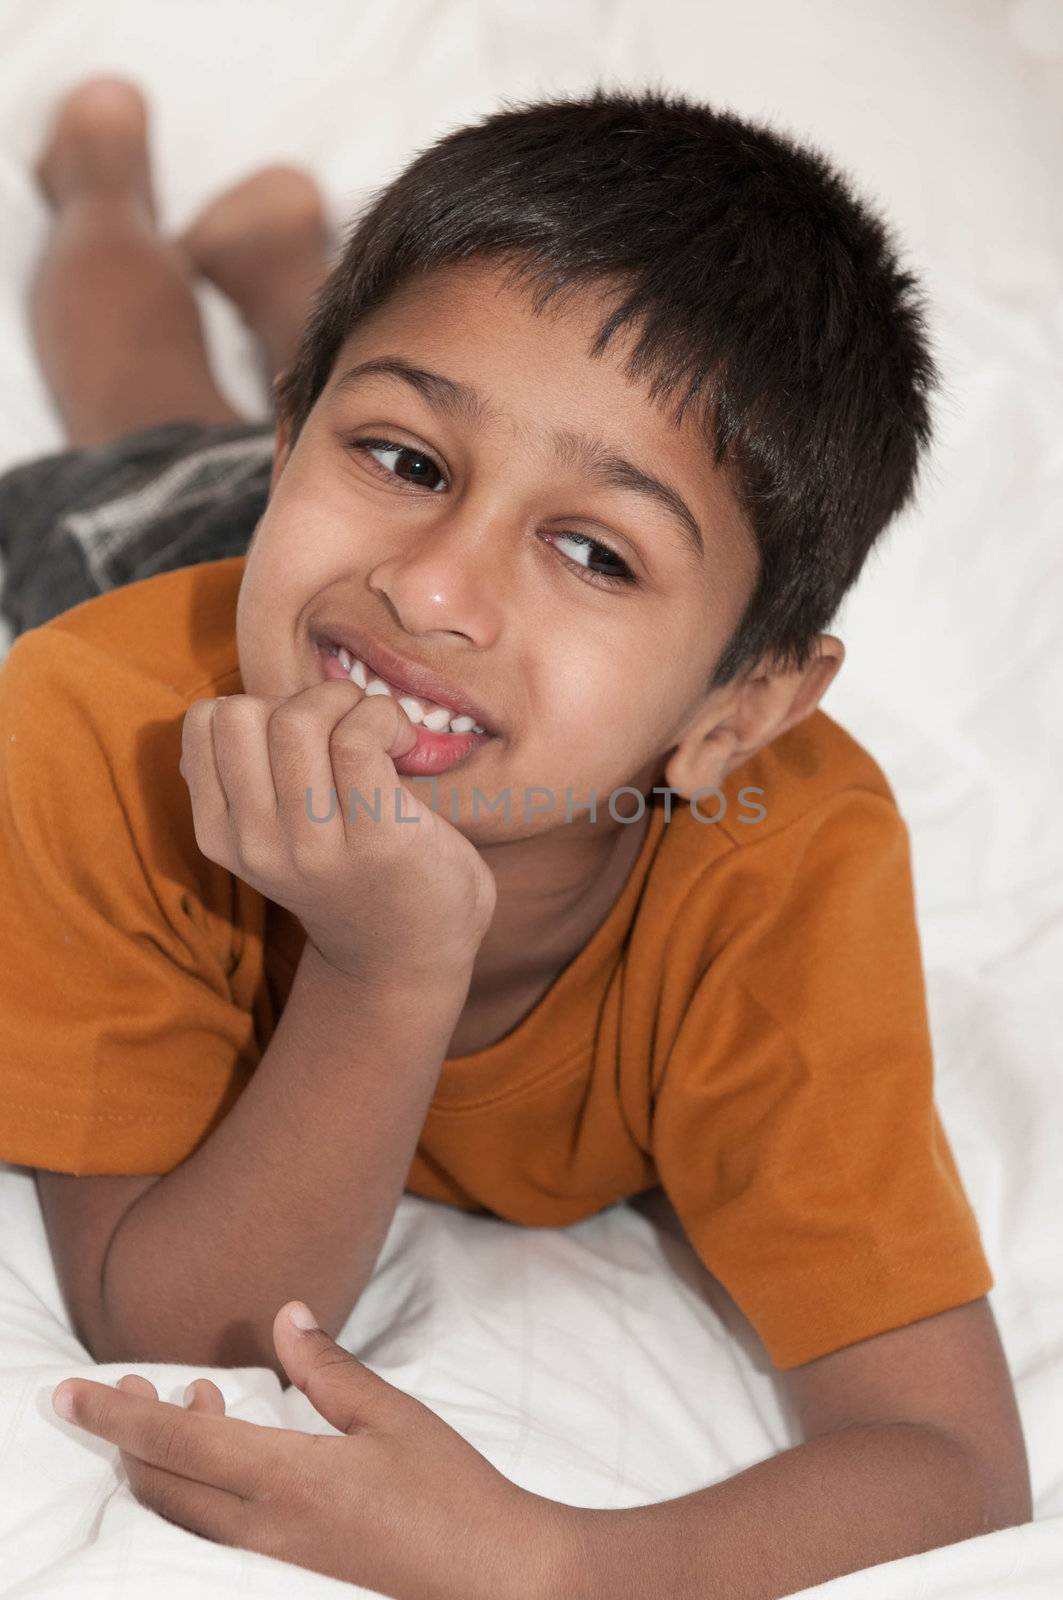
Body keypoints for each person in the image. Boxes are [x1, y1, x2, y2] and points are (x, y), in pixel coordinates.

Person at [0, 77, 1031, 1598]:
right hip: (203, 558)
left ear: (740, 710)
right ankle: (101, 186)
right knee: (147, 410)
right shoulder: (102, 724)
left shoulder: (785, 870)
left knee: (449, 409)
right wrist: (384, 971)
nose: (441, 585)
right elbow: (171, 1323)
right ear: (310, 434)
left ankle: (302, 274)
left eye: (594, 551)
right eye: (404, 456)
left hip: (322, 601)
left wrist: (557, 1561)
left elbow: (953, 1461)